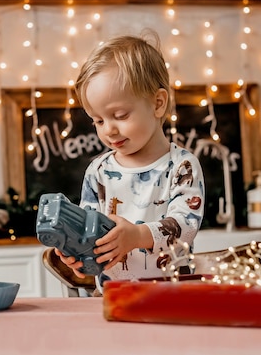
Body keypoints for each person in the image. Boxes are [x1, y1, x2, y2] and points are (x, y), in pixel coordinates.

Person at [55, 30, 206, 290]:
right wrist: (75, 250)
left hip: (172, 296)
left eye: (120, 115)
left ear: (158, 103)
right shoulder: (98, 171)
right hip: (111, 297)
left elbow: (185, 226)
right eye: (99, 121)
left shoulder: (182, 166)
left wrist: (137, 236)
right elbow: (88, 227)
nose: (108, 130)